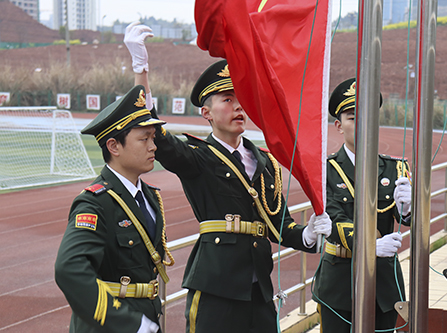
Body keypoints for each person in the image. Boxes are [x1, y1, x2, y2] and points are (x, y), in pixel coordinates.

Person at [124, 22, 332, 333]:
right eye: (226, 99)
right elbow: (155, 131)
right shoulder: (198, 157)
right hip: (216, 289)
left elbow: (278, 224)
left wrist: (308, 234)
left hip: (259, 291)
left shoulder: (265, 161)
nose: (237, 106)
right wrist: (141, 69)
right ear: (206, 113)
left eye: (239, 98)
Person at [54, 85, 174, 333]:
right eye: (144, 139)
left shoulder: (150, 197)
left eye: (153, 138)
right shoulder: (95, 202)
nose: (153, 146)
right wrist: (131, 323)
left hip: (147, 318)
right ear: (114, 146)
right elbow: (69, 269)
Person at [312, 78, 412, 332]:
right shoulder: (326, 170)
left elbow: (409, 221)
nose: (362, 123)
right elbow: (331, 220)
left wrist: (408, 209)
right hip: (339, 280)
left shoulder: (396, 168)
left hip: (382, 281)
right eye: (352, 117)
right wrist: (369, 246)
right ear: (339, 125)